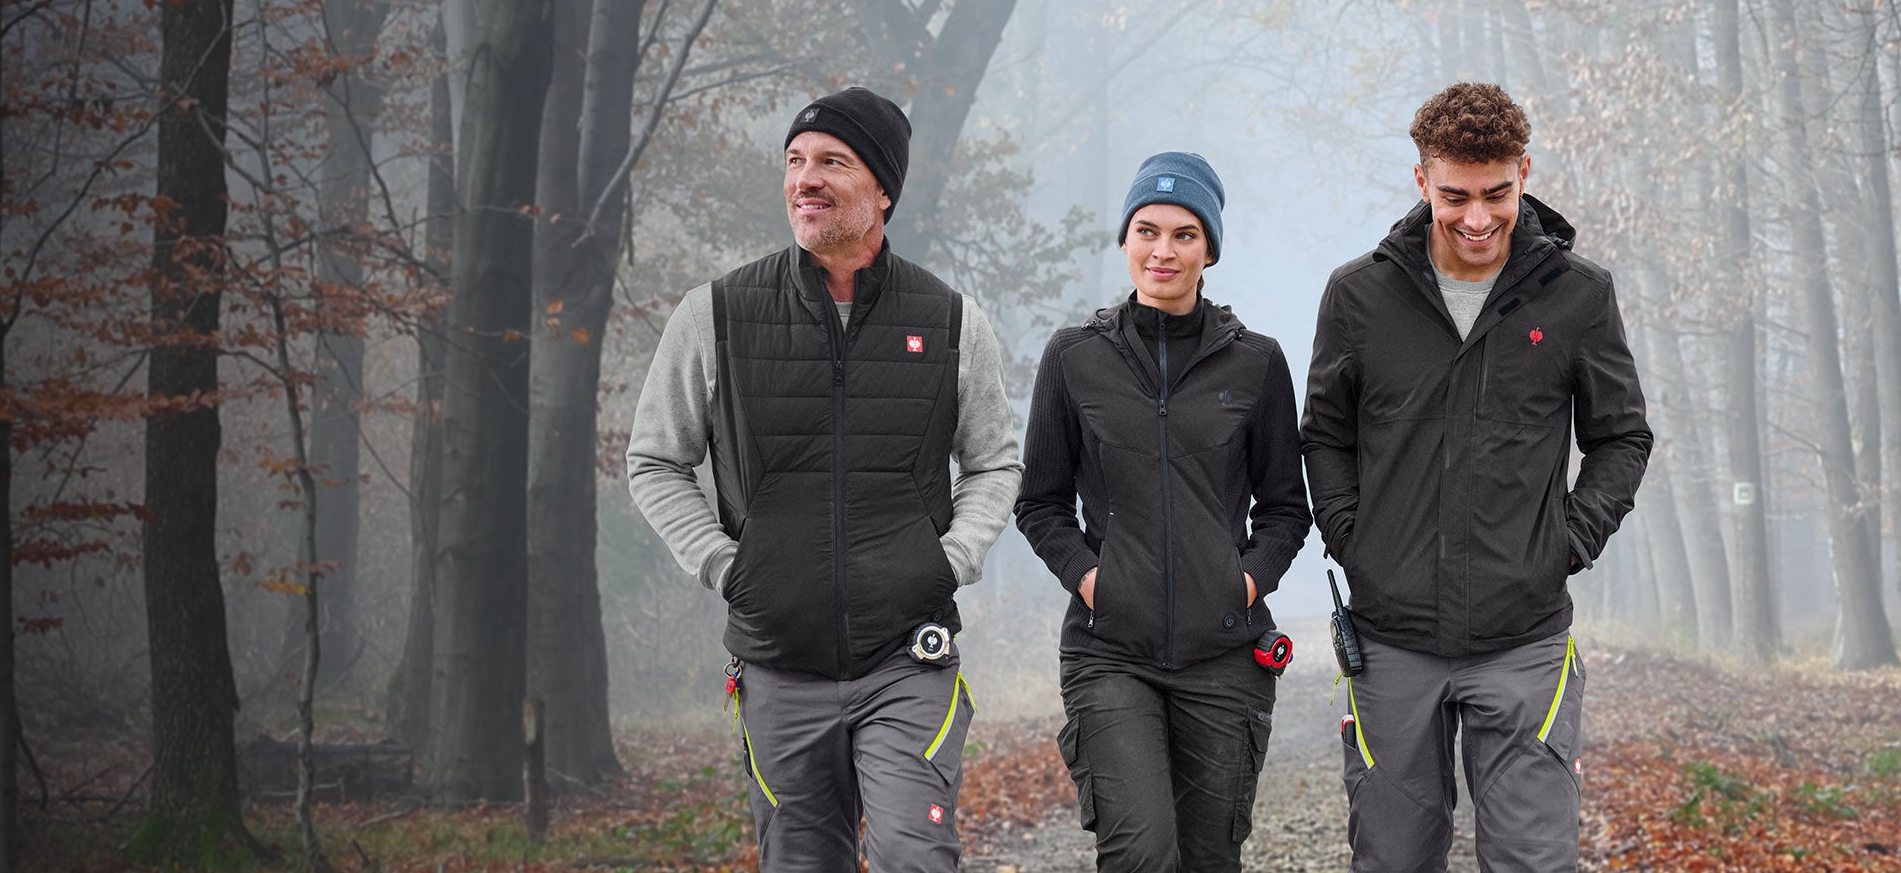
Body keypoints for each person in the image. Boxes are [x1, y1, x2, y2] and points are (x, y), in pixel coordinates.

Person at [624, 86, 1022, 872]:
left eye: (832, 162)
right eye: (795, 161)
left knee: (917, 857)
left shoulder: (949, 322)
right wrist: (726, 565)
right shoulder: (716, 315)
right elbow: (655, 460)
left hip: (908, 657)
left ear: (882, 192)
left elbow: (994, 461)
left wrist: (949, 559)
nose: (805, 178)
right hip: (778, 664)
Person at [1301, 82, 1653, 871]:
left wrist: (1567, 541)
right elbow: (1324, 434)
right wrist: (1357, 540)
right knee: (1392, 861)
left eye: (1498, 192)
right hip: (1391, 643)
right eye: (1455, 195)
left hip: (1524, 639)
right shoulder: (1358, 296)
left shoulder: (1578, 297)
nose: (1479, 218)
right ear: (1421, 181)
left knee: (1533, 860)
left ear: (1524, 172)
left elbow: (1622, 436)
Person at [1014, 151, 1312, 872]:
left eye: (1185, 234)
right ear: (1124, 241)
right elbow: (1041, 504)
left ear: (1210, 249)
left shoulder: (1258, 363)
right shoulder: (1073, 358)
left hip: (1225, 657)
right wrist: (1095, 582)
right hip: (1110, 651)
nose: (1164, 250)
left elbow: (1284, 510)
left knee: (1210, 858)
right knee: (1142, 852)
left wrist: (1239, 585)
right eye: (1147, 230)